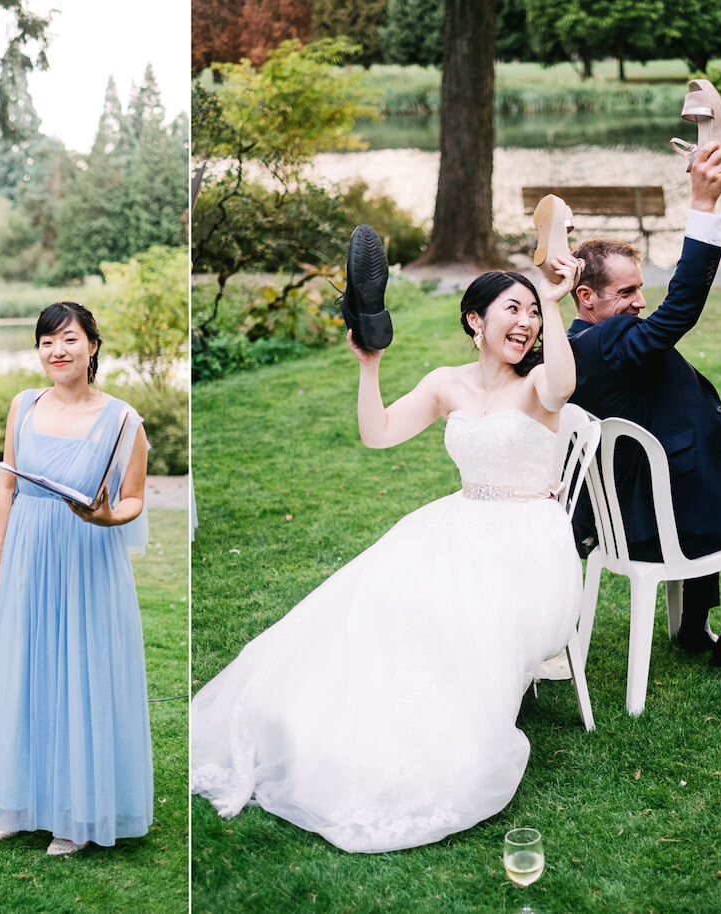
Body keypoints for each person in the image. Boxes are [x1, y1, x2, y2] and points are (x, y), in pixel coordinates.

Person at [191, 246, 585, 853]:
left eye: (533, 313)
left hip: (529, 535)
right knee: (380, 595)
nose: (527, 322)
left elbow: (564, 384)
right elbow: (378, 436)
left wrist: (554, 302)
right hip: (463, 516)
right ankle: (367, 725)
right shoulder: (444, 384)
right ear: (475, 320)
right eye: (515, 309)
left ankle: (447, 731)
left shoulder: (536, 381)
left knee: (455, 603)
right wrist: (369, 365)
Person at [567, 141, 721, 672]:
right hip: (659, 530)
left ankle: (693, 624)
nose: (638, 303)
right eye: (626, 292)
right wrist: (702, 205)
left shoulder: (573, 352)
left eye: (639, 289)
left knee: (698, 485)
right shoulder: (610, 343)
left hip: (624, 520)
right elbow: (679, 308)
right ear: (587, 298)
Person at [0, 301, 153, 856]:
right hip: (28, 554)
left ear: (93, 346)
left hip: (87, 559)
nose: (57, 351)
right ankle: (20, 803)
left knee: (79, 676)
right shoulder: (22, 405)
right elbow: (8, 486)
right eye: (47, 341)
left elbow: (133, 500)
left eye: (69, 340)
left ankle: (76, 815)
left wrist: (105, 517)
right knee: (25, 672)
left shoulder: (124, 419)